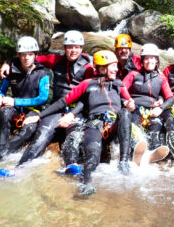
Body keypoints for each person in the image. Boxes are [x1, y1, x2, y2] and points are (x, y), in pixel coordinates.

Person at [23, 50, 135, 195]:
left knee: (125, 113)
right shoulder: (87, 84)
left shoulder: (119, 85)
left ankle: (124, 162)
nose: (116, 69)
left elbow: (129, 101)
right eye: (112, 66)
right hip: (95, 123)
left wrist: (130, 104)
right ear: (101, 68)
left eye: (115, 66)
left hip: (115, 126)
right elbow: (64, 101)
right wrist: (39, 116)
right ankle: (86, 183)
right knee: (93, 153)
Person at [0, 30, 95, 167]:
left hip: (77, 109)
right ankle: (19, 166)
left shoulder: (88, 67)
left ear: (81, 48)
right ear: (64, 48)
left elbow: (87, 96)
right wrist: (7, 62)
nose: (73, 50)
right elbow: (29, 57)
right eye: (69, 47)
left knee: (73, 138)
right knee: (42, 134)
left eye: (77, 47)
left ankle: (72, 167)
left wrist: (71, 115)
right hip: (56, 107)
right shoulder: (55, 60)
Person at [0, 36, 50, 170]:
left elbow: (42, 98)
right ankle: (1, 151)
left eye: (30, 55)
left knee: (29, 128)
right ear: (18, 55)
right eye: (23, 55)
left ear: (35, 55)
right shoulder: (11, 70)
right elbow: (2, 90)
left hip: (34, 109)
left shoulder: (43, 73)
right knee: (4, 113)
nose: (26, 58)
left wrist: (15, 101)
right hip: (16, 108)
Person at [122, 43, 174, 164]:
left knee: (155, 131)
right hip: (135, 109)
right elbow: (120, 91)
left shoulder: (161, 78)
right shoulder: (133, 74)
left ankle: (151, 155)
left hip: (152, 111)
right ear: (142, 60)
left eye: (152, 58)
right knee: (135, 128)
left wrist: (161, 108)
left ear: (157, 60)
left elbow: (170, 98)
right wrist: (127, 102)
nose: (149, 61)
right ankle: (136, 153)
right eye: (146, 58)